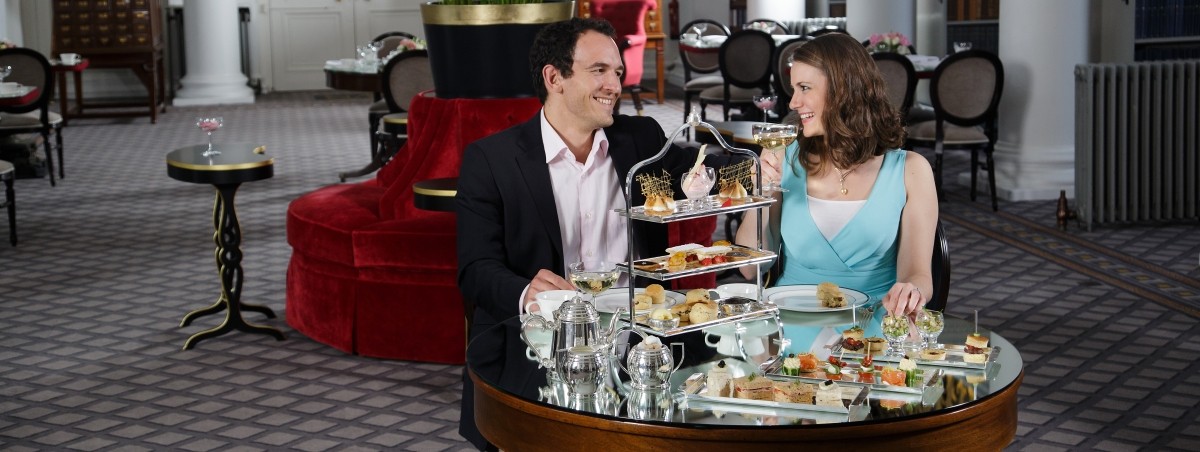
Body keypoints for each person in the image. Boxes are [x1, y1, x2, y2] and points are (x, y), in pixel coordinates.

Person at [455, 17, 724, 450]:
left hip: (639, 343)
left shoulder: (640, 139)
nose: (614, 84)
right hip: (540, 347)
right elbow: (475, 269)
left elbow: (705, 167)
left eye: (617, 72)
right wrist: (526, 292)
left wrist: (754, 166)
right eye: (598, 70)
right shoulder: (492, 160)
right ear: (554, 77)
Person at [736, 33, 938, 325]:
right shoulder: (781, 155)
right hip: (789, 323)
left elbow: (917, 274)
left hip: (875, 324)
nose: (793, 102)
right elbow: (749, 268)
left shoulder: (911, 170)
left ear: (844, 90)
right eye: (793, 89)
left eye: (805, 88)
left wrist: (911, 291)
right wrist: (762, 193)